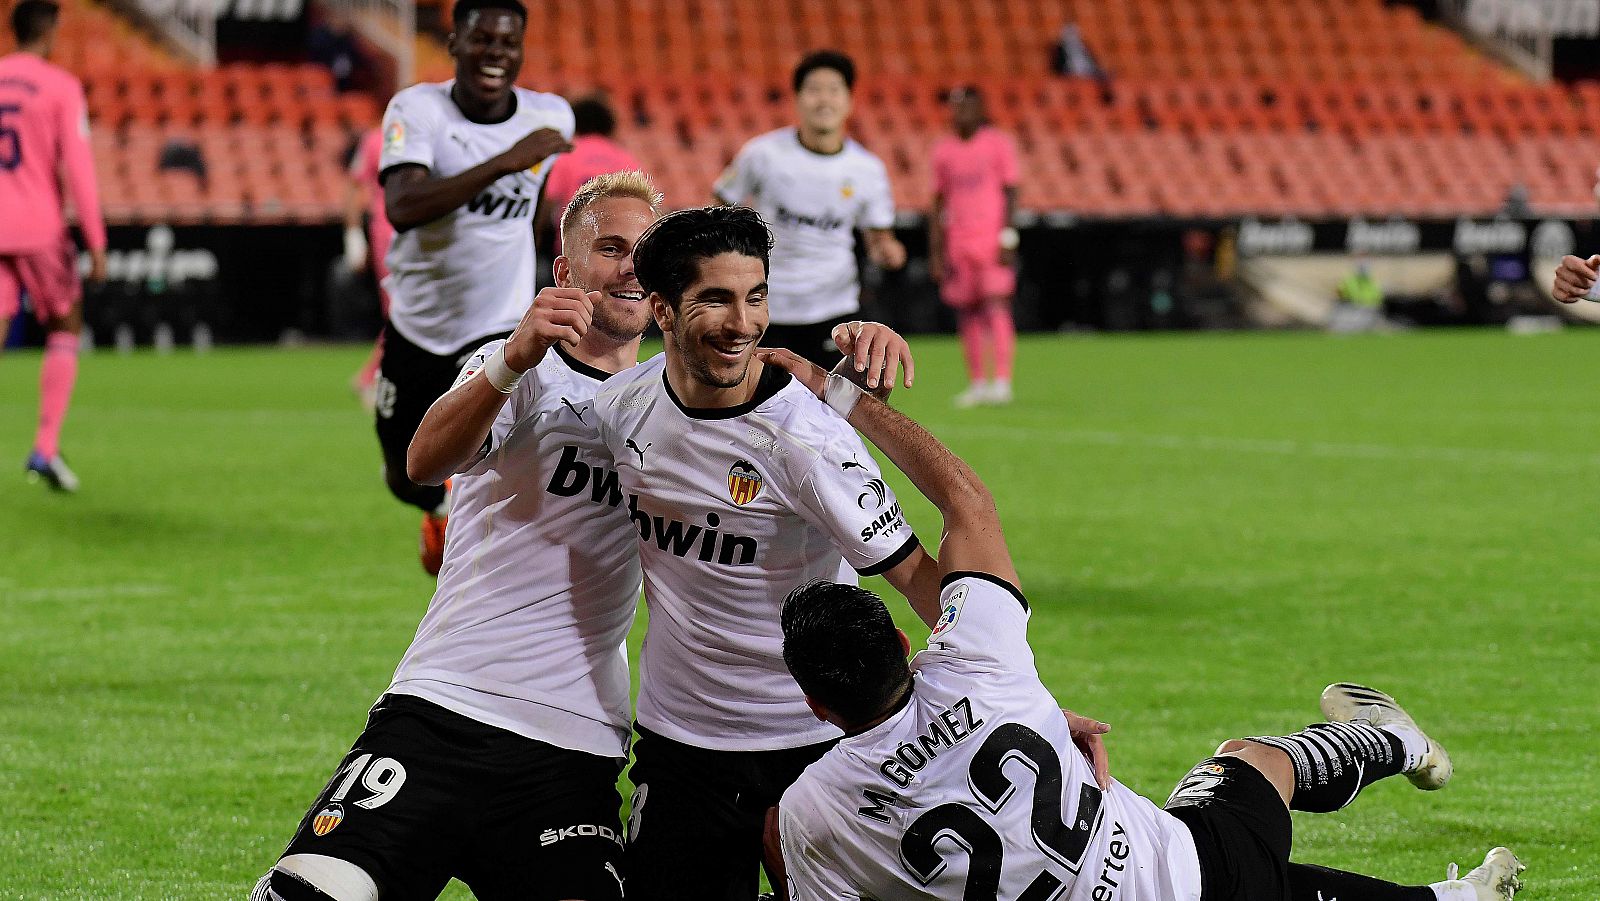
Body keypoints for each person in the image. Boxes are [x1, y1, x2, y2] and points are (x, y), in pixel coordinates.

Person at [765, 358, 1525, 901]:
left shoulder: (810, 811)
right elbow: (967, 502)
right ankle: (1396, 738)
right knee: (1247, 763)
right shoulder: (975, 658)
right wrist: (837, 392)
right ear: (904, 644)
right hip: (1194, 873)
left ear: (816, 706)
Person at [252, 172, 664, 901]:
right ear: (564, 270)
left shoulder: (674, 405)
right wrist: (513, 357)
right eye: (610, 248)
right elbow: (423, 460)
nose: (630, 265)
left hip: (573, 747)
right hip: (442, 709)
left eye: (646, 250)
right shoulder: (514, 368)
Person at [586, 205, 928, 900]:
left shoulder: (810, 441)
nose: (743, 323)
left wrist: (1011, 697)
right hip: (681, 747)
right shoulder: (620, 409)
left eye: (756, 296)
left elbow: (926, 580)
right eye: (715, 298)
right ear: (662, 309)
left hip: (816, 740)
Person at [373, 0, 574, 574]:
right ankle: (435, 511)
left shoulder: (551, 116)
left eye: (508, 44)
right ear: (455, 42)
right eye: (483, 40)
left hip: (499, 323)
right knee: (405, 473)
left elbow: (534, 207)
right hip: (418, 321)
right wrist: (506, 161)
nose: (496, 54)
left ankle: (488, 570)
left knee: (493, 454)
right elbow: (404, 205)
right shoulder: (419, 109)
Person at [714, 50, 906, 368]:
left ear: (849, 100)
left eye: (834, 90)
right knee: (760, 409)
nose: (824, 100)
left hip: (835, 307)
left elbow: (879, 238)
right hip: (768, 305)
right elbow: (720, 205)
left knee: (831, 408)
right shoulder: (763, 154)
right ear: (798, 99)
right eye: (814, 90)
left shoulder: (867, 169)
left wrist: (888, 249)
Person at [0, 0, 106, 492]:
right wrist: (97, 241)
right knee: (67, 322)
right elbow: (79, 171)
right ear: (52, 32)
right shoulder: (61, 87)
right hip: (38, 226)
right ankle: (45, 448)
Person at [929, 86, 1020, 408]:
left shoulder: (997, 144)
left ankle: (1002, 381)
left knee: (996, 305)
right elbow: (937, 203)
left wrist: (1008, 236)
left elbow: (1011, 192)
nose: (960, 113)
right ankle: (978, 382)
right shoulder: (943, 150)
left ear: (980, 108)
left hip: (991, 240)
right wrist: (937, 252)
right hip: (959, 242)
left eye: (966, 106)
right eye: (955, 107)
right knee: (967, 312)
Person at [540, 95, 641, 258]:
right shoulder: (624, 157)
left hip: (573, 247)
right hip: (620, 249)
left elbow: (548, 201)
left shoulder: (566, 154)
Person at [343, 124, 395, 407]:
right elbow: (354, 184)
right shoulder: (377, 139)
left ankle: (372, 376)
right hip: (389, 233)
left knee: (403, 313)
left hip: (415, 236)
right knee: (400, 313)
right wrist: (352, 234)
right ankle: (372, 378)